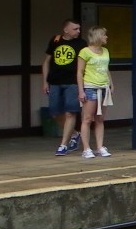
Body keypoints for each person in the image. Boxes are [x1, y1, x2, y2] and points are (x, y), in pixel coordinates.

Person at [42, 19, 86, 156]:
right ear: (66, 30)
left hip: (72, 82)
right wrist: (45, 81)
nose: (78, 31)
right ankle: (74, 134)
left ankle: (63, 145)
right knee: (55, 112)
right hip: (55, 81)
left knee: (70, 112)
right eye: (75, 29)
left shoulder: (81, 44)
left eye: (79, 29)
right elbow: (46, 61)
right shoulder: (55, 40)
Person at [76, 26, 113, 159]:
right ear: (97, 36)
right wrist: (81, 90)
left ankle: (100, 147)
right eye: (104, 35)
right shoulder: (84, 52)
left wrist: (111, 84)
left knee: (100, 119)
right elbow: (80, 72)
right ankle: (86, 148)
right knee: (87, 119)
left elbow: (106, 69)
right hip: (90, 87)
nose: (106, 37)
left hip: (104, 87)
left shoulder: (105, 51)